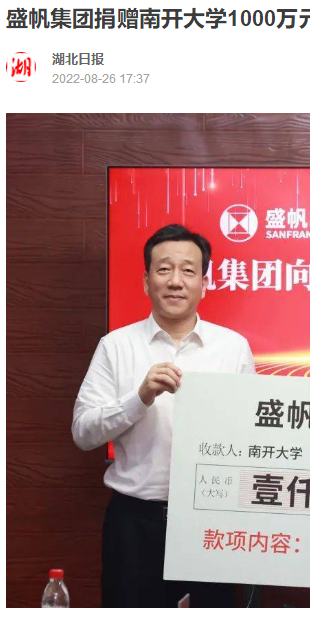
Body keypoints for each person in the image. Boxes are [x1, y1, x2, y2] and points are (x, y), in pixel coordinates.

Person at [73, 224, 254, 607]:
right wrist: (138, 398)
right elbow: (83, 433)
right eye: (164, 269)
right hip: (135, 523)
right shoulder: (116, 346)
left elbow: (251, 434)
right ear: (146, 281)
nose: (175, 281)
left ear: (204, 283)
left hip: (210, 520)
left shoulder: (233, 348)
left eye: (188, 270)